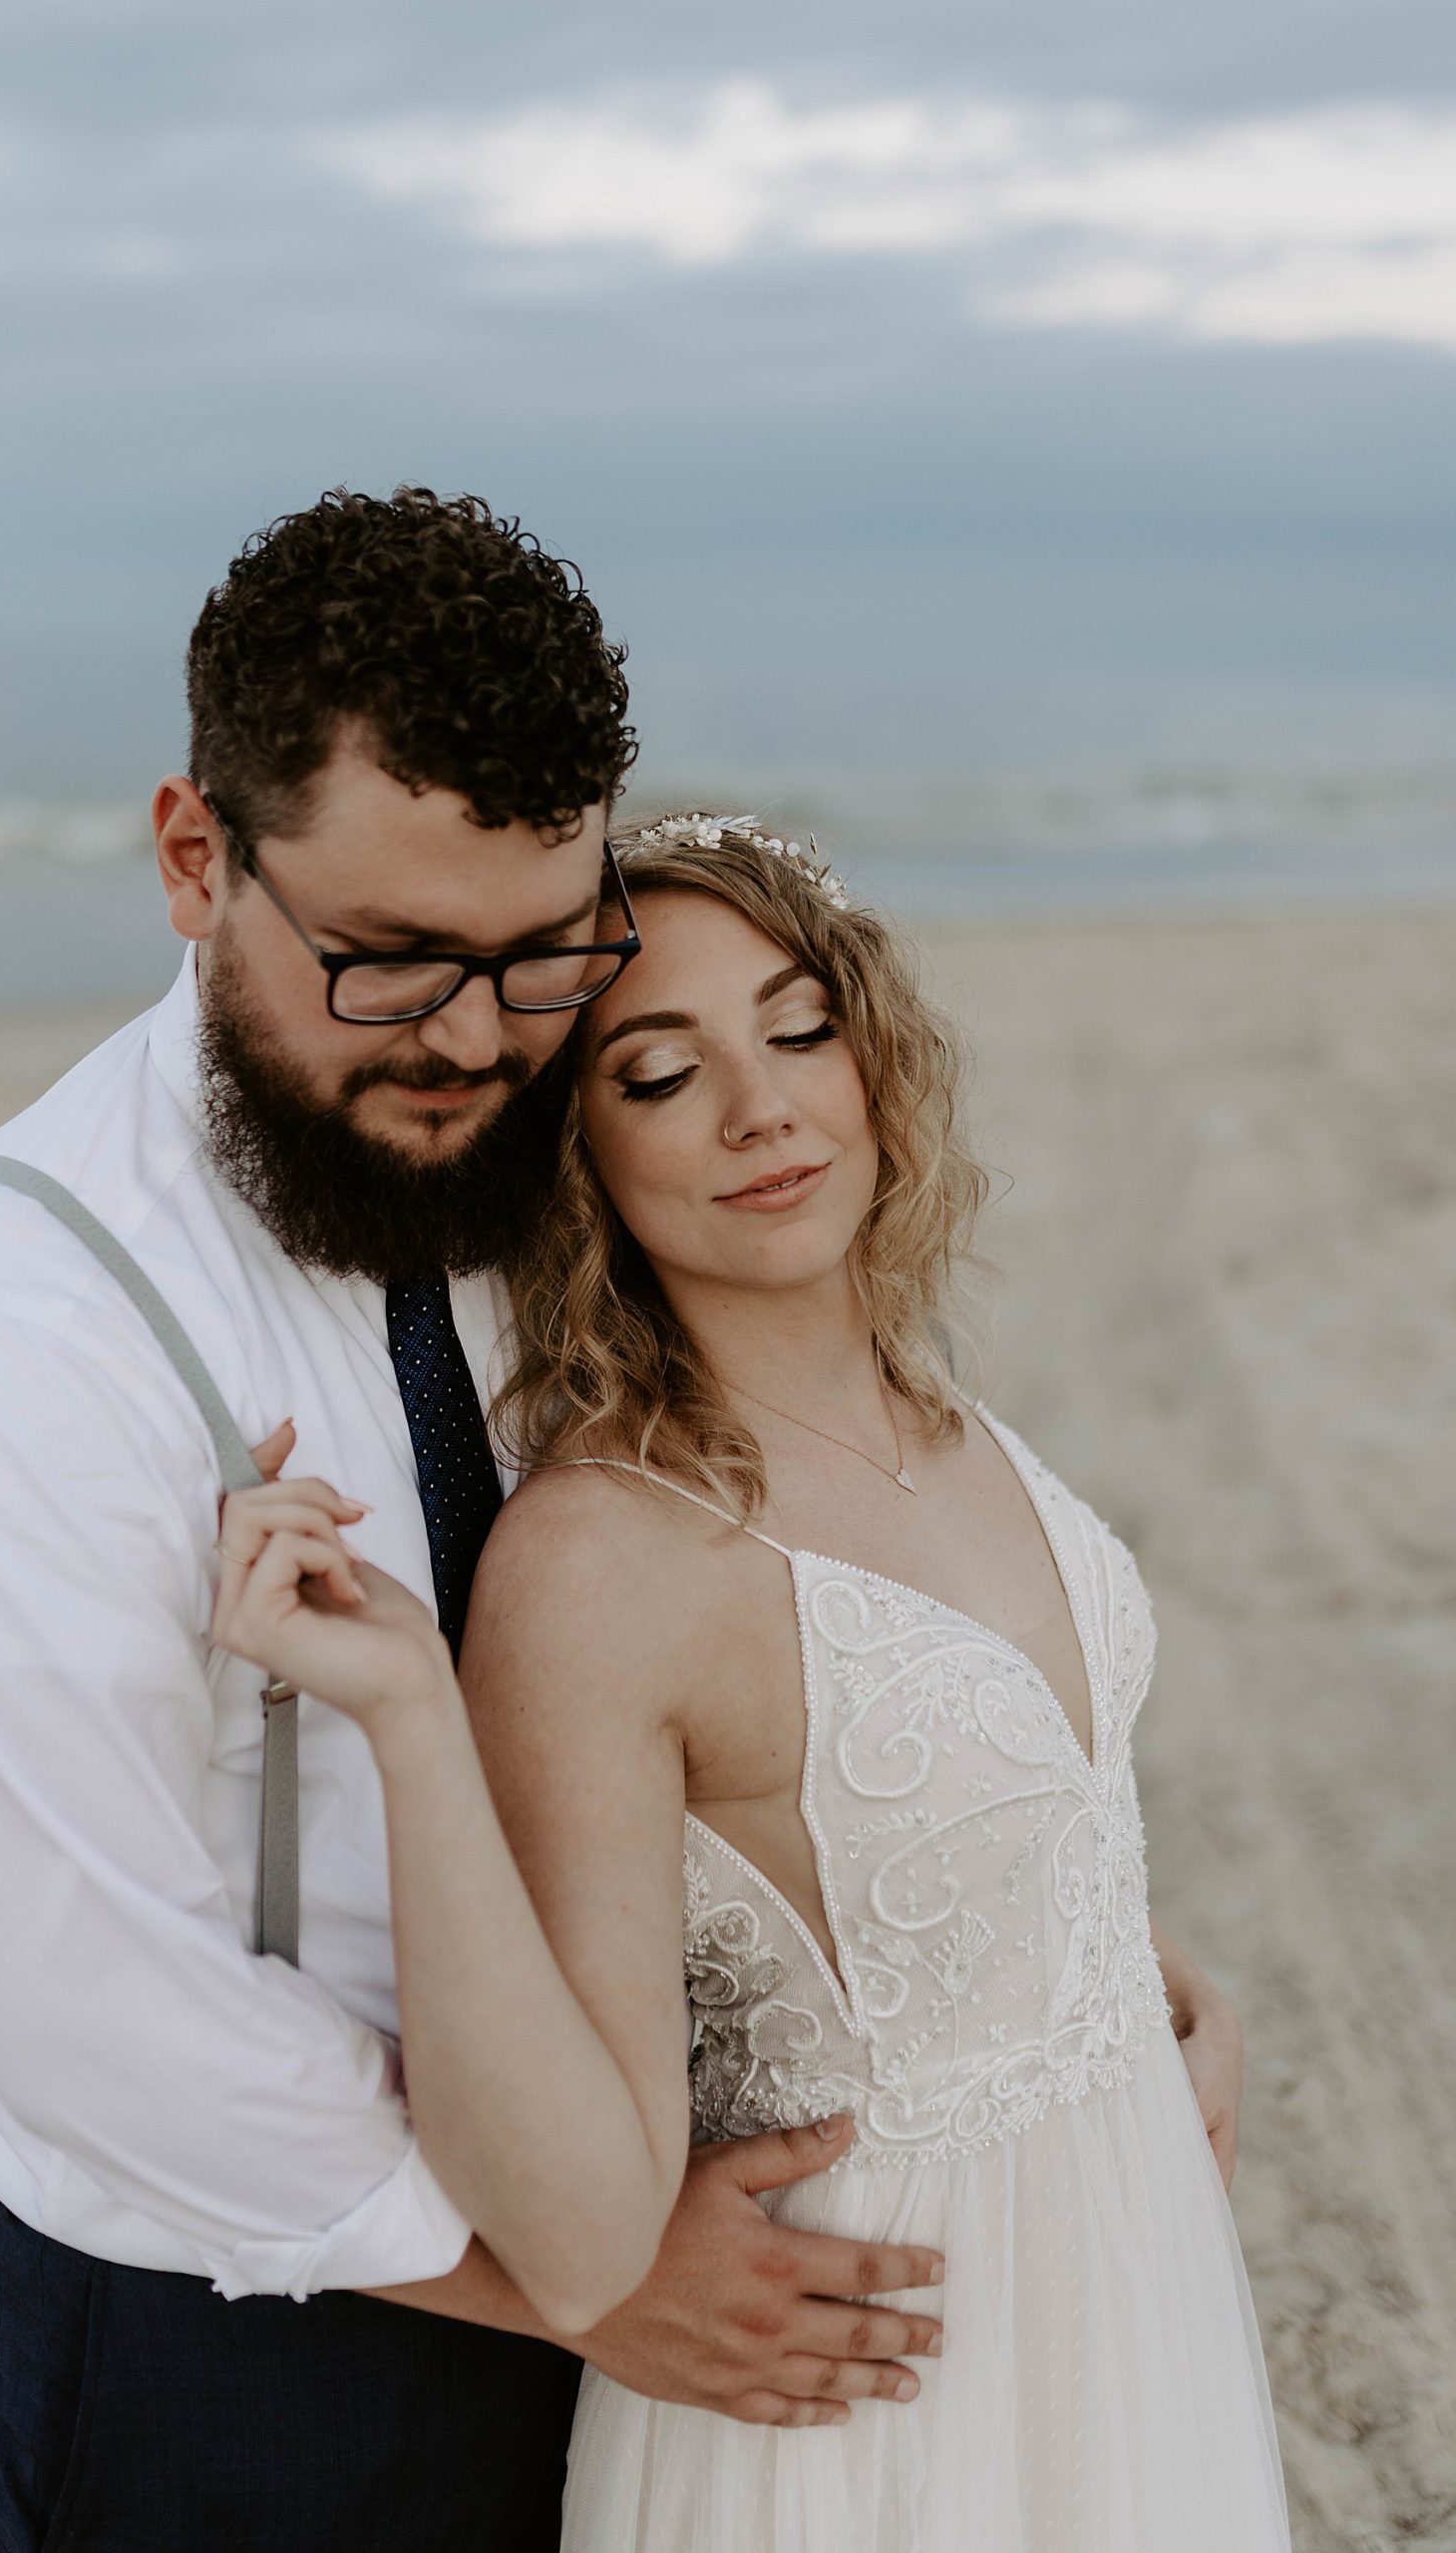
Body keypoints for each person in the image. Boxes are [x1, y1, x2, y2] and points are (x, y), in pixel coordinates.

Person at [0, 496, 947, 2553]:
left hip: (641, 2216)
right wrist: (580, 2275)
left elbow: (770, 1603)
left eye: (538, 954)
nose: (475, 1041)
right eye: (391, 961)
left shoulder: (538, 1132)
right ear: (189, 856)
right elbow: (98, 2005)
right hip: (251, 2334)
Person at [219, 813, 1291, 2548]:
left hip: (1120, 2299)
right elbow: (581, 2206)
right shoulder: (602, 1564)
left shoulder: (949, 1424)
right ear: (577, 1152)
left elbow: (947, 1841)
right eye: (660, 1073)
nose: (764, 1108)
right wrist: (411, 1718)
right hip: (864, 2409)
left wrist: (1151, 1997)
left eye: (800, 1030)